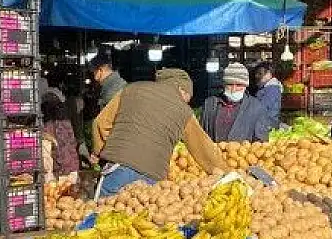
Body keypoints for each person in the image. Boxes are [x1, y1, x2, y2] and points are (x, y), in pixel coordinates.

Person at [92, 68, 226, 198]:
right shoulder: (184, 110)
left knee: (101, 217)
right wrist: (227, 173)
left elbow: (100, 123)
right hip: (152, 176)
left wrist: (103, 152)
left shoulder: (130, 89)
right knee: (141, 217)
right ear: (180, 88)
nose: (186, 102)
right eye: (187, 97)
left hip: (118, 168)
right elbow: (203, 148)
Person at [199, 62, 275, 142]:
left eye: (239, 85)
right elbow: (201, 136)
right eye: (230, 84)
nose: (234, 89)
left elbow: (261, 143)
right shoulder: (210, 104)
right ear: (224, 84)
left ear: (245, 86)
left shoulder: (256, 107)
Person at [40, 78, 79, 181]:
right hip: (70, 167)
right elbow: (71, 141)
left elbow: (55, 146)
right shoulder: (64, 116)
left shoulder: (46, 117)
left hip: (58, 169)